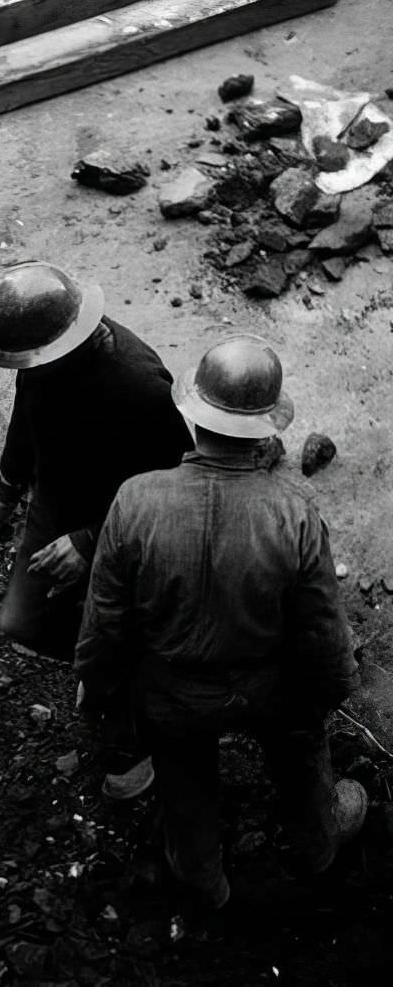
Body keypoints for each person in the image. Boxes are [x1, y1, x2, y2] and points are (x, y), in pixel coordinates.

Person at [75, 335, 364, 908]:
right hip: (269, 687)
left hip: (172, 693)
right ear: (267, 429)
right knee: (302, 754)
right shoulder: (293, 513)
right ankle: (318, 845)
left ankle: (205, 882)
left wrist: (96, 683)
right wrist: (333, 690)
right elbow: (321, 626)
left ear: (192, 413)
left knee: (184, 784)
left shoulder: (135, 500)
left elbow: (106, 618)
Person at [0, 261, 194, 797]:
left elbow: (171, 493)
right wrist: (7, 484)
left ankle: (141, 726)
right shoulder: (43, 359)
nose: (22, 371)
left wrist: (90, 543)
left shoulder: (140, 386)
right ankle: (98, 664)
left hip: (121, 527)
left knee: (126, 636)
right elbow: (25, 418)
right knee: (24, 621)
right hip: (59, 503)